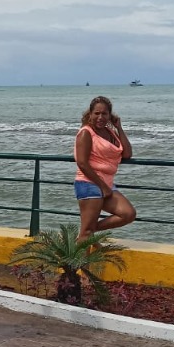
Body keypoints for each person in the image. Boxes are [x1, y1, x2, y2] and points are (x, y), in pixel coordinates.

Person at [74, 95, 137, 240]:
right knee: (87, 233)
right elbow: (82, 163)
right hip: (89, 183)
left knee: (128, 214)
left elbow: (127, 154)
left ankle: (86, 232)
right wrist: (102, 187)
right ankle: (80, 255)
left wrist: (119, 127)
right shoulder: (86, 133)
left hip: (107, 184)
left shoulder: (110, 132)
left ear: (110, 115)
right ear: (90, 114)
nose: (100, 117)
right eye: (97, 113)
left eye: (104, 113)